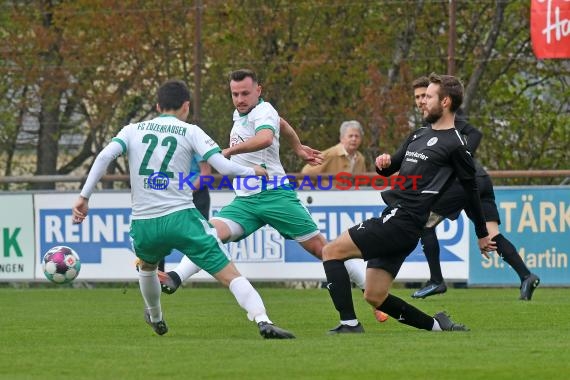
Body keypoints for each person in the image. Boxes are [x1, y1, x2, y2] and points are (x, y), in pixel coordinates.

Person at [157, 69, 385, 326]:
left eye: (245, 93)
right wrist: (297, 146)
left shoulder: (263, 111)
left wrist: (229, 151)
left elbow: (266, 138)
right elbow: (283, 124)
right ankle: (176, 276)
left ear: (258, 90)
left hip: (274, 195)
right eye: (235, 94)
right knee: (208, 234)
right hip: (245, 201)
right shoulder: (243, 112)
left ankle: (373, 291)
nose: (240, 99)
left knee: (325, 250)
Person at [71, 79, 294, 339]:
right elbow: (224, 167)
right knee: (229, 274)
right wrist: (252, 170)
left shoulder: (131, 130)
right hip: (181, 218)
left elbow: (104, 157)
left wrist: (84, 196)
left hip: (144, 223)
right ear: (186, 106)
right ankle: (262, 320)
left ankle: (155, 316)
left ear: (157, 105)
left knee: (147, 267)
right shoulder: (190, 131)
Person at [320, 73, 496, 334]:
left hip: (403, 221)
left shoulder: (456, 145)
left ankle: (349, 324)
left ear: (445, 102)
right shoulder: (419, 135)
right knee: (375, 295)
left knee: (331, 251)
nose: (423, 102)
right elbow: (393, 165)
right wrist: (383, 164)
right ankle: (438, 326)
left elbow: (470, 189)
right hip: (400, 222)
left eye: (429, 96)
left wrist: (482, 233)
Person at [409, 78, 541, 301]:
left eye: (425, 96)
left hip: (466, 182)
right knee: (491, 235)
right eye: (418, 97)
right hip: (480, 179)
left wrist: (462, 159)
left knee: (424, 221)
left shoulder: (444, 119)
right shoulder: (431, 124)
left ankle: (436, 281)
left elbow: (475, 135)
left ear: (440, 99)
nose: (422, 101)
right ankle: (526, 276)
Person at [300, 120, 367, 187]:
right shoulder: (330, 154)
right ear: (342, 138)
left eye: (357, 136)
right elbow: (306, 172)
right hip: (327, 195)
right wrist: (310, 194)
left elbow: (363, 183)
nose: (354, 139)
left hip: (349, 196)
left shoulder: (360, 158)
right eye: (350, 136)